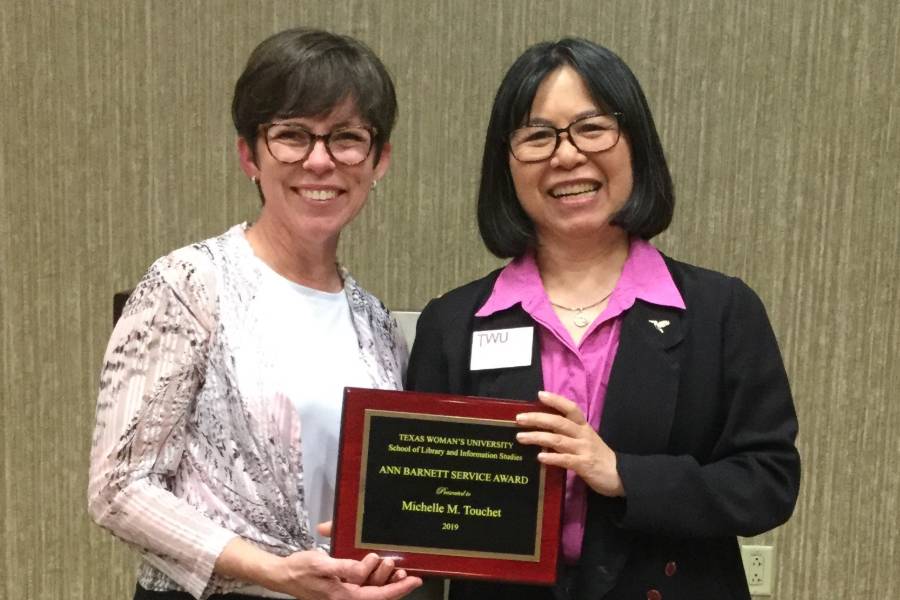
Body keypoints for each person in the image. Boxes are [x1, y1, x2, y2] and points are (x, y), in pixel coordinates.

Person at [406, 38, 800, 600]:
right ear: (507, 162)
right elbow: (425, 509)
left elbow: (769, 484)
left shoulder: (722, 311)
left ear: (635, 142)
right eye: (537, 136)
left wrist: (622, 474)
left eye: (592, 128)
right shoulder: (454, 323)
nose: (566, 156)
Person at [88, 28, 423, 600]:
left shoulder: (378, 326)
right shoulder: (189, 283)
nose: (320, 161)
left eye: (347, 138)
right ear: (249, 154)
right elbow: (118, 488)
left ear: (379, 160)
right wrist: (272, 571)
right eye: (292, 136)